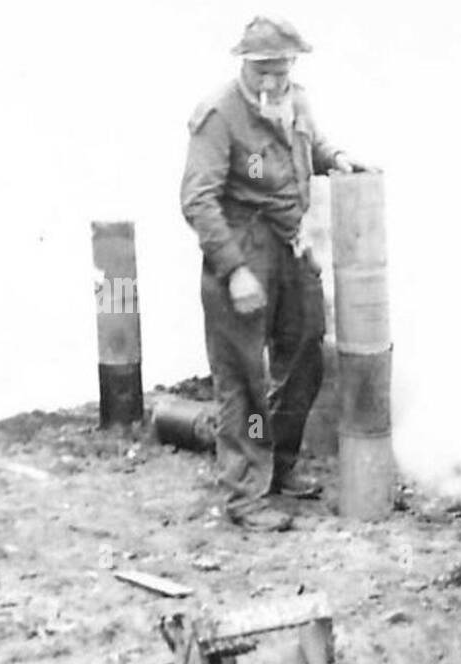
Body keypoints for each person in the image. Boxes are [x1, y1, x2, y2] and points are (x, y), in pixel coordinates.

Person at [181, 16, 369, 531]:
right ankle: (245, 497)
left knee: (306, 350)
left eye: (280, 71)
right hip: (242, 249)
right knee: (243, 377)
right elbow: (197, 199)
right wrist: (235, 271)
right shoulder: (219, 115)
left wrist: (339, 159)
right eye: (262, 71)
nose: (271, 83)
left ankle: (279, 465)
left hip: (290, 246)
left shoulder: (297, 100)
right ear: (245, 63)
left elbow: (307, 151)